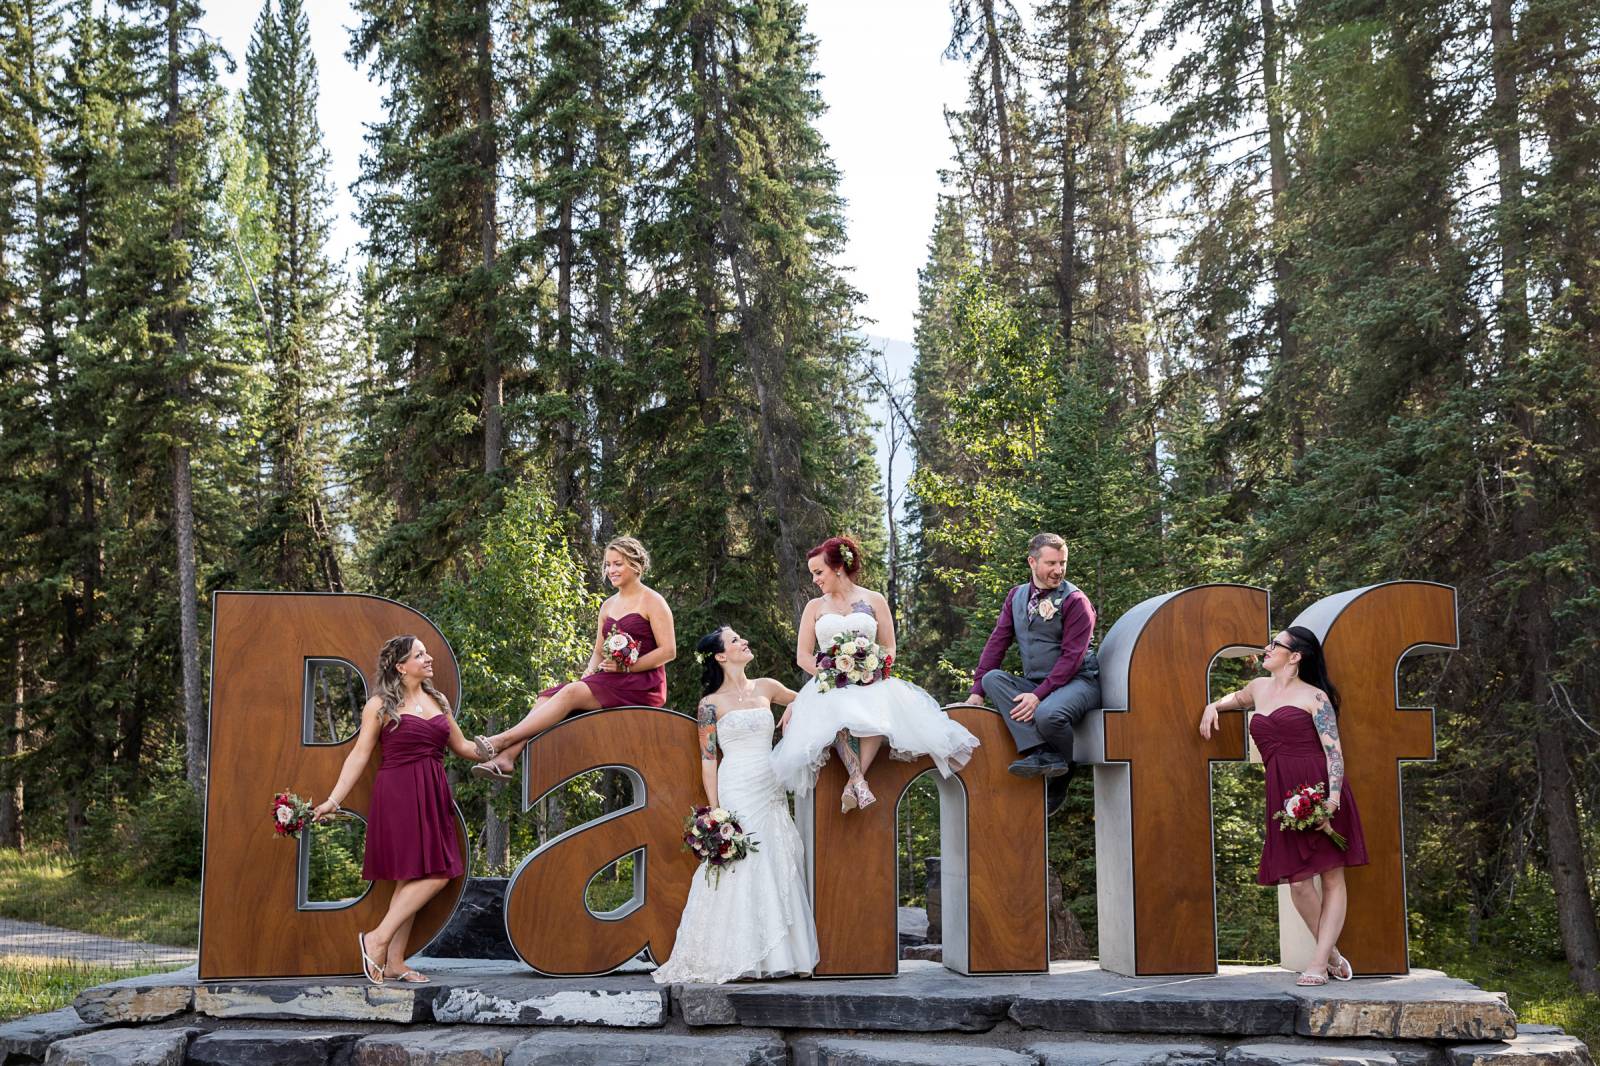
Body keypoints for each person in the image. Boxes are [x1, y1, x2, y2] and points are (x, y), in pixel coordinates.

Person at [1200, 625, 1369, 986]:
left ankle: (1319, 962)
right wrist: (1213, 705)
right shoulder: (1259, 688)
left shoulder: (1316, 697)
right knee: (1298, 883)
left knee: (1332, 876)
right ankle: (1334, 953)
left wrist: (1332, 801)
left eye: (1275, 645)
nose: (1266, 648)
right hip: (1282, 796)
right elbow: (1238, 698)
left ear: (1294, 657)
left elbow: (1333, 752)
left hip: (1320, 790)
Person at [652, 627, 819, 984]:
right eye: (734, 640)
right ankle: (735, 954)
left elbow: (810, 698)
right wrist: (715, 810)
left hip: (769, 783)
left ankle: (782, 954)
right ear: (721, 656)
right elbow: (708, 759)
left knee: (775, 857)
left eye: (743, 637)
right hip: (736, 787)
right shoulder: (709, 705)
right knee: (739, 863)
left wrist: (791, 708)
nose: (744, 641)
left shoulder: (768, 687)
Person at [312, 635, 479, 985]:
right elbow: (358, 755)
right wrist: (333, 800)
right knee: (439, 873)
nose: (429, 658)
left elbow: (463, 746)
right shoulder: (379, 705)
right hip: (399, 794)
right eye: (420, 655)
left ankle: (395, 962)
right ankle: (377, 939)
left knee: (413, 876)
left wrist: (503, 749)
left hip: (433, 793)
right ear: (401, 666)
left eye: (426, 653)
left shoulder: (438, 700)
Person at [770, 535, 978, 811]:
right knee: (838, 712)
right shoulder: (814, 607)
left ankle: (853, 782)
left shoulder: (874, 599)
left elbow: (889, 645)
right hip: (830, 682)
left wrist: (874, 666)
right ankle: (858, 782)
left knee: (878, 715)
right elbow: (803, 656)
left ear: (838, 567)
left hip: (870, 679)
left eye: (818, 572)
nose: (815, 580)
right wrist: (827, 671)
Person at [473, 536, 675, 778]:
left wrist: (627, 669)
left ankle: (502, 740)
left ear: (636, 564)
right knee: (547, 697)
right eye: (608, 565)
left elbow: (668, 651)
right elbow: (598, 652)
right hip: (611, 678)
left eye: (618, 564)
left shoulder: (653, 601)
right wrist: (588, 673)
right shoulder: (608, 605)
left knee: (568, 693)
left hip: (643, 683)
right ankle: (506, 758)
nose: (611, 570)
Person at [968, 532, 1101, 816]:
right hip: (1038, 683)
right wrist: (977, 691)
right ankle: (1040, 751)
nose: (1058, 570)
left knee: (1048, 714)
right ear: (1032, 562)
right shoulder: (1016, 596)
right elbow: (997, 642)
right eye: (1051, 563)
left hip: (1079, 680)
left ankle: (1064, 770)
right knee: (993, 680)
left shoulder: (1075, 600)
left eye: (1062, 563)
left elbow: (1071, 658)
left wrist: (1038, 696)